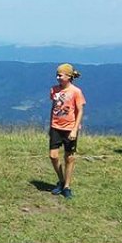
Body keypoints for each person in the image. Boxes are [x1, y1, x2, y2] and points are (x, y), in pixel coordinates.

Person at [49, 63, 86, 200]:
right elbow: (53, 108)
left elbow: (80, 110)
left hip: (69, 128)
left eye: (60, 75)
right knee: (53, 156)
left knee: (69, 157)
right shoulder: (54, 90)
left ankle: (67, 186)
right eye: (57, 75)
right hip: (55, 127)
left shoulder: (76, 91)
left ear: (69, 76)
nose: (58, 77)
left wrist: (75, 129)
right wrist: (50, 125)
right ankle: (61, 179)